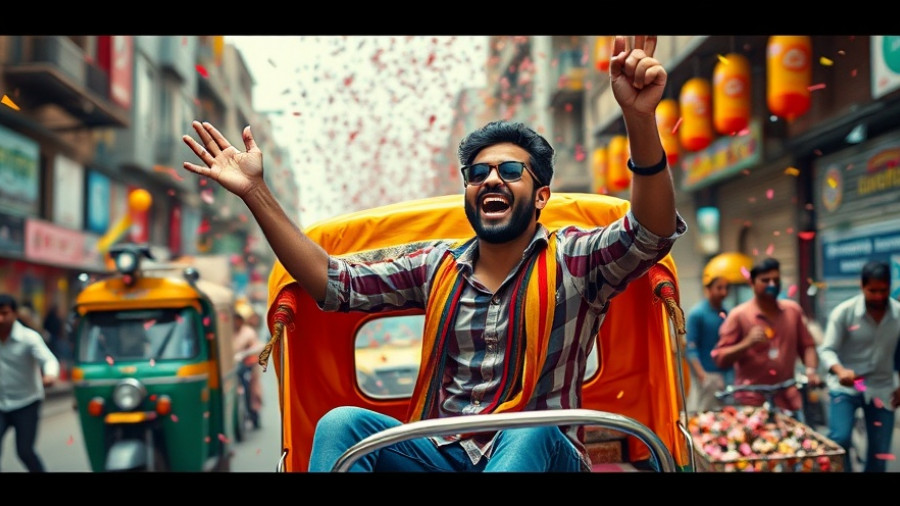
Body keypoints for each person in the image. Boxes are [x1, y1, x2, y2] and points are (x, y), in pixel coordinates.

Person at [182, 35, 686, 472]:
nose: (491, 179)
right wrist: (255, 193)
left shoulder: (575, 261)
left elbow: (649, 233)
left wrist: (639, 120)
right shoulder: (435, 265)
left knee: (527, 430)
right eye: (477, 174)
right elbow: (333, 283)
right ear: (468, 191)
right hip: (441, 454)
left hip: (543, 451)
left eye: (510, 172)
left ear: (540, 196)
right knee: (342, 424)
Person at [710, 257, 821, 416]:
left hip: (787, 399)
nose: (772, 285)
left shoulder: (793, 311)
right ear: (752, 283)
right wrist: (746, 343)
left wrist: (811, 371)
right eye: (765, 280)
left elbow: (808, 345)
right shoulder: (739, 315)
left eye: (776, 280)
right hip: (751, 402)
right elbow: (719, 358)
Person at [819, 260, 900, 472]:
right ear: (862, 286)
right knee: (839, 440)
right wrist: (840, 371)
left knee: (880, 452)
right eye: (872, 291)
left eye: (883, 290)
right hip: (846, 386)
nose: (878, 296)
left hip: (881, 387)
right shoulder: (843, 313)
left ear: (889, 286)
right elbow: (827, 350)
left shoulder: (898, 314)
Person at [0, 293, 60, 472]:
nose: (0, 319)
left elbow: (49, 360)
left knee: (24, 451)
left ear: (15, 314)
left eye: (4, 313)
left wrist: (49, 375)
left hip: (27, 402)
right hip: (1, 403)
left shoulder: (28, 337)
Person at [685, 272, 734, 413]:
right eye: (719, 288)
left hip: (726, 375)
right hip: (708, 375)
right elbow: (691, 348)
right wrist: (702, 375)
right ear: (708, 289)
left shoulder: (726, 313)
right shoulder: (697, 314)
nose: (723, 292)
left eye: (726, 288)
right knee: (705, 415)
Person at [233, 305, 265, 428]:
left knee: (252, 390)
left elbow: (258, 346)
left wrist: (244, 354)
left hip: (248, 366)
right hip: (234, 367)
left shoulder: (248, 332)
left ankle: (254, 413)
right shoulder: (229, 332)